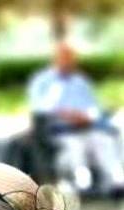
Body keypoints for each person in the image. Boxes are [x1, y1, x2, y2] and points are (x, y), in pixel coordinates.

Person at [28, 42, 124, 197]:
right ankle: (83, 186)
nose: (68, 62)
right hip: (59, 129)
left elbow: (94, 107)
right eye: (64, 58)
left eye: (71, 58)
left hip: (86, 126)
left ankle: (116, 182)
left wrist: (87, 116)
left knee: (103, 140)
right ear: (55, 59)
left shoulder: (80, 81)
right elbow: (39, 108)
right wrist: (65, 114)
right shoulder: (42, 80)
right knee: (75, 146)